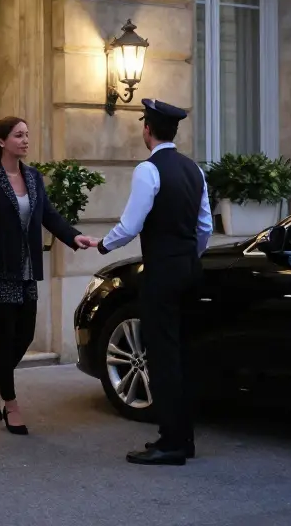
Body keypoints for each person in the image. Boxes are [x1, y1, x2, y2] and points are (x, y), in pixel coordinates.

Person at [91, 98, 212, 465]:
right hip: (190, 269)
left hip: (161, 272)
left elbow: (131, 225)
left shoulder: (148, 170)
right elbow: (204, 227)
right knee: (184, 354)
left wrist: (101, 244)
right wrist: (189, 256)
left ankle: (170, 442)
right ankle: (184, 438)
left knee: (160, 355)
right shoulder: (195, 170)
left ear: (148, 130)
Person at [0, 116, 93, 434]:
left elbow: (48, 214)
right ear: (1, 142)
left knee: (24, 336)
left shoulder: (34, 177)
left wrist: (72, 236)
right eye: (18, 135)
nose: (25, 140)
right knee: (6, 337)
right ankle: (11, 404)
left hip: (27, 271)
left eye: (27, 135)